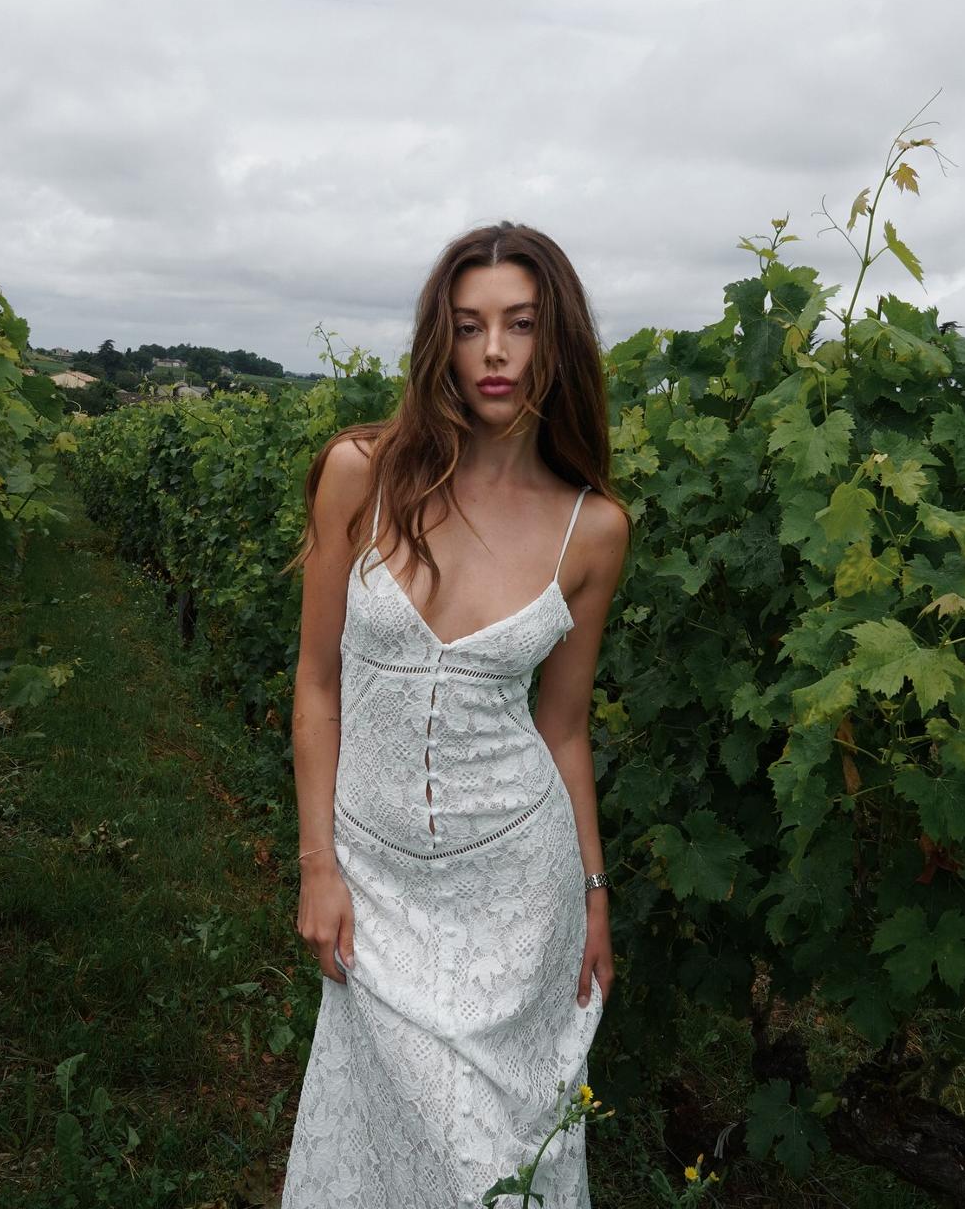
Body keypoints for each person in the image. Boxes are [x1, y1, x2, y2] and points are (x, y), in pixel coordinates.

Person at [279, 221, 631, 1207]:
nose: (494, 351)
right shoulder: (361, 473)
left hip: (520, 890)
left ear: (557, 340)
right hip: (373, 877)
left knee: (495, 1166)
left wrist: (594, 894)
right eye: (470, 326)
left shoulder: (593, 528)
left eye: (522, 324)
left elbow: (563, 728)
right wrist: (317, 865)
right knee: (387, 1143)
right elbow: (317, 684)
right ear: (442, 339)